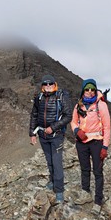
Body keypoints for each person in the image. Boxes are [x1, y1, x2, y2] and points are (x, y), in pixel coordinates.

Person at [29, 75, 72, 204]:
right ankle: (52, 181)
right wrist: (32, 133)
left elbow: (68, 116)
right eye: (45, 84)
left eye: (50, 84)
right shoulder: (39, 98)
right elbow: (34, 116)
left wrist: (53, 128)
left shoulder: (61, 97)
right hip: (43, 136)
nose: (48, 87)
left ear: (55, 84)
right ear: (42, 86)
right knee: (49, 161)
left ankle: (59, 190)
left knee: (57, 162)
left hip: (56, 136)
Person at [71, 78, 111, 210]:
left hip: (97, 143)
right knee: (84, 169)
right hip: (82, 143)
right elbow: (73, 122)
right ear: (83, 90)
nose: (90, 91)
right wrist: (77, 130)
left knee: (98, 171)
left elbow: (107, 127)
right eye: (87, 89)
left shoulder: (101, 105)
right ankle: (85, 192)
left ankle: (98, 201)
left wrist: (104, 147)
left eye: (92, 89)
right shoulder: (78, 106)